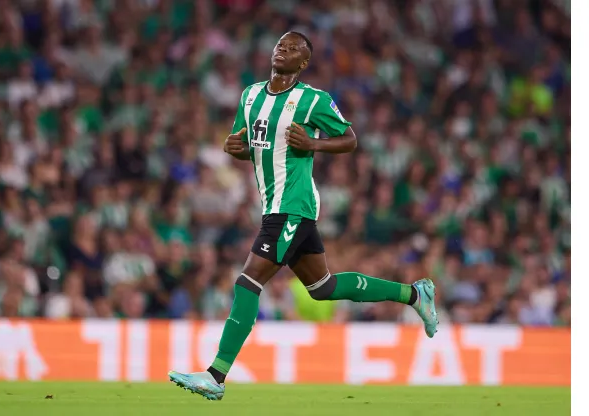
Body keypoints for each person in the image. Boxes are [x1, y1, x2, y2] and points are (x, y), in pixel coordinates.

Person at [168, 32, 439, 401]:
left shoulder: (313, 100)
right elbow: (249, 146)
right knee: (322, 287)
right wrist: (235, 149)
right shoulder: (250, 96)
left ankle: (216, 375)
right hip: (274, 205)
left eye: (295, 49)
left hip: (292, 205)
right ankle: (414, 294)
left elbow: (349, 139)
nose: (284, 50)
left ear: (304, 63)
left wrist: (313, 143)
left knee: (248, 282)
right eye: (281, 44)